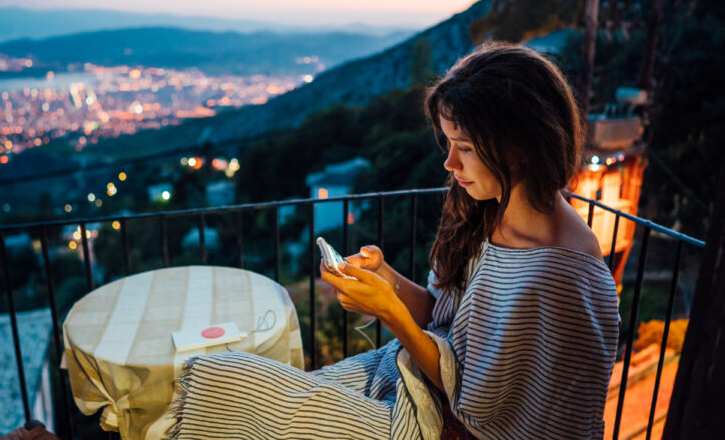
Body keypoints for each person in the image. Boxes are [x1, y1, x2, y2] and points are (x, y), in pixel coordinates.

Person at [167, 43, 619, 439]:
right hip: (411, 382)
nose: (449, 162)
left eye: (464, 147)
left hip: (438, 424)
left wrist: (390, 311)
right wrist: (389, 281)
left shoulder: (560, 275)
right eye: (447, 143)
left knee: (230, 384)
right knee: (233, 385)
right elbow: (445, 320)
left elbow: (479, 408)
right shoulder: (492, 209)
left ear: (518, 145)